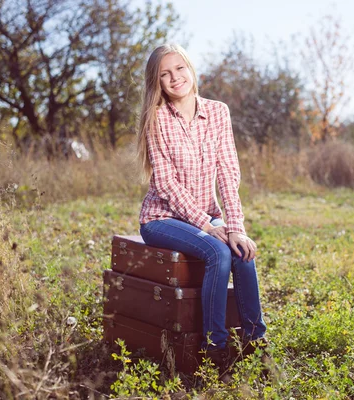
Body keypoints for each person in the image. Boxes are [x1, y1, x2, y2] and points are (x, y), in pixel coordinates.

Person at [135, 43, 267, 381]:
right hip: (162, 218)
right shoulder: (157, 118)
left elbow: (227, 174)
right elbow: (165, 184)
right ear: (157, 82)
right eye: (164, 74)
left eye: (179, 68)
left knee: (241, 252)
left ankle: (256, 342)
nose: (174, 77)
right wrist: (207, 226)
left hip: (207, 215)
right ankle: (215, 349)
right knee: (218, 254)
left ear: (192, 70)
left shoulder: (218, 112)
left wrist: (235, 226)